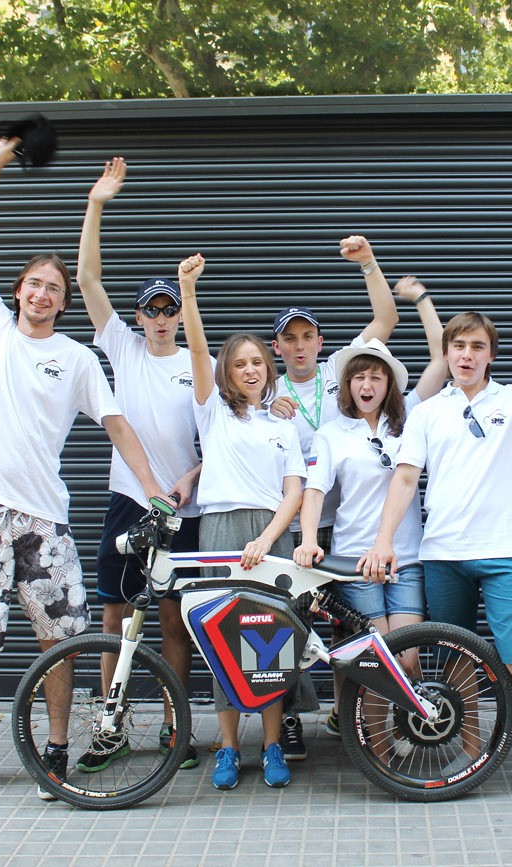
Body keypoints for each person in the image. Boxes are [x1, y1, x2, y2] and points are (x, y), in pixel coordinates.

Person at [0, 138, 165, 802]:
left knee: (60, 641)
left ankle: (58, 749)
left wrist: (154, 489)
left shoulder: (76, 359)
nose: (42, 294)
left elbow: (118, 426)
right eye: (34, 284)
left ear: (63, 303)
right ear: (17, 292)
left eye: (54, 289)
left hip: (45, 519)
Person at [359, 287, 512, 808]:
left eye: (477, 346)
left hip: (503, 553)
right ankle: (475, 754)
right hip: (442, 554)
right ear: (447, 352)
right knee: (457, 662)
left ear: (490, 354)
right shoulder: (428, 412)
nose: (467, 355)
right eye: (458, 346)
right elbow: (404, 478)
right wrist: (384, 541)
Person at [73, 156, 210, 773]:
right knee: (113, 617)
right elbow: (86, 279)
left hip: (183, 509)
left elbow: (225, 436)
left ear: (179, 315)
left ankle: (174, 727)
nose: (159, 319)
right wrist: (96, 204)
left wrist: (189, 483)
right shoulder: (122, 349)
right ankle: (112, 728)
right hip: (129, 501)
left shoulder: (197, 361)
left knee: (175, 622)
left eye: (167, 310)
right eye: (150, 310)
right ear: (137, 319)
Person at [292, 276, 448, 734]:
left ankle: (397, 738)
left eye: (376, 377)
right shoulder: (332, 433)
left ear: (389, 385)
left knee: (408, 656)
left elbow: (441, 358)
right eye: (359, 376)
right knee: (376, 658)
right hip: (355, 559)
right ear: (348, 384)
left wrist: (422, 300)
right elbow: (314, 490)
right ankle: (375, 745)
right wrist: (307, 540)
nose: (367, 384)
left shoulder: (411, 418)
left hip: (406, 557)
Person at [268, 234, 399, 759]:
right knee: (289, 624)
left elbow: (386, 319)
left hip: (346, 525)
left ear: (321, 342)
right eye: (289, 339)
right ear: (277, 347)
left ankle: (350, 717)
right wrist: (266, 411)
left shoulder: (340, 371)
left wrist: (368, 263)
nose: (299, 346)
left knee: (349, 628)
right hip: (298, 523)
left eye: (308, 336)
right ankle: (291, 716)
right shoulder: (266, 388)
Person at [179, 252, 307, 791]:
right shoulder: (212, 410)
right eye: (240, 364)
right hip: (221, 530)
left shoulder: (282, 424)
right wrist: (188, 292)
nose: (251, 370)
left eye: (258, 362)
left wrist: (268, 538)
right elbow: (198, 348)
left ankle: (272, 745)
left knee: (267, 642)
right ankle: (228, 748)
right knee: (222, 642)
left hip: (270, 535)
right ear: (226, 373)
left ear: (267, 369)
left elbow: (294, 492)